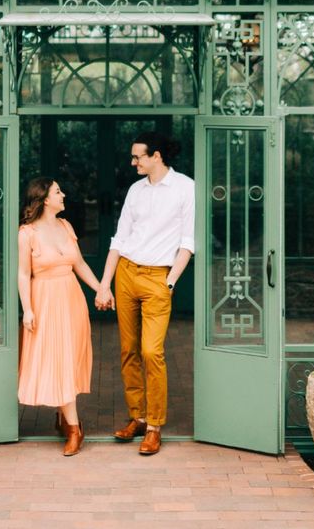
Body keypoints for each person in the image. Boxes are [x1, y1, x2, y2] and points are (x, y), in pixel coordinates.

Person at [98, 131, 194, 455]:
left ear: (156, 156)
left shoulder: (185, 188)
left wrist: (169, 282)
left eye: (138, 156)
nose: (133, 162)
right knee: (128, 350)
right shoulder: (135, 191)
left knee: (152, 352)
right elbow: (119, 238)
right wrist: (104, 284)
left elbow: (187, 243)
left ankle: (154, 427)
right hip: (126, 273)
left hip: (158, 278)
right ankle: (136, 418)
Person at [18, 176, 103, 456]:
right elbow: (23, 274)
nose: (63, 195)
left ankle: (63, 417)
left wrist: (102, 288)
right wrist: (27, 309)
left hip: (71, 298)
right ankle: (75, 429)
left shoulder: (66, 226)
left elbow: (79, 264)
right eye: (57, 191)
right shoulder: (27, 233)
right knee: (58, 358)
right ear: (44, 199)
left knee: (68, 357)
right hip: (45, 300)